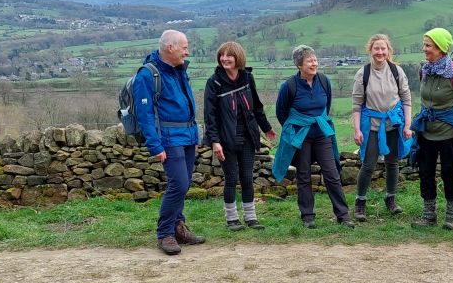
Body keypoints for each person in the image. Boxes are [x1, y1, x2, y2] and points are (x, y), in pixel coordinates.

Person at [134, 29, 205, 255]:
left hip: (186, 136)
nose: (187, 51)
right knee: (179, 184)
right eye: (184, 47)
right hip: (168, 138)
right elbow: (144, 114)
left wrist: (194, 135)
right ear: (170, 47)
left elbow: (186, 104)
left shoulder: (179, 70)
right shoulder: (148, 75)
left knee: (183, 185)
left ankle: (178, 226)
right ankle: (165, 233)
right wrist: (155, 145)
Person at [271, 45, 354, 228]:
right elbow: (281, 113)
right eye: (309, 60)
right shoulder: (289, 86)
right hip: (302, 137)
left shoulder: (324, 81)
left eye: (315, 60)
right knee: (304, 175)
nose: (314, 63)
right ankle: (307, 216)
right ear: (299, 64)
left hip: (321, 134)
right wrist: (298, 126)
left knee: (332, 174)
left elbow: (326, 106)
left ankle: (343, 215)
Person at [204, 41, 276, 231]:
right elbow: (209, 115)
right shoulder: (214, 82)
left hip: (247, 137)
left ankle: (251, 217)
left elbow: (257, 106)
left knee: (246, 177)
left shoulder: (247, 78)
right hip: (226, 139)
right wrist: (214, 141)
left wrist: (266, 127)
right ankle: (232, 219)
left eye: (229, 55)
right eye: (222, 55)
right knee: (231, 177)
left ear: (238, 58)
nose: (224, 59)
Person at [408, 28, 453, 230]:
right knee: (426, 172)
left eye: (428, 45)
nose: (424, 49)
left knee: (449, 172)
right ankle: (429, 216)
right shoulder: (424, 70)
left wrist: (451, 122)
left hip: (449, 133)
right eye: (424, 45)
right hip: (427, 131)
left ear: (440, 48)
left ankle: (452, 217)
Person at [350, 33, 412, 221]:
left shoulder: (397, 71)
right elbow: (356, 104)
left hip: (393, 124)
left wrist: (407, 125)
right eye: (376, 48)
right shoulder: (363, 73)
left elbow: (406, 99)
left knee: (392, 163)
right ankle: (360, 203)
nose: (380, 52)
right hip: (372, 126)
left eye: (383, 48)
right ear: (370, 50)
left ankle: (391, 200)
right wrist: (357, 130)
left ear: (388, 50)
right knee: (368, 165)